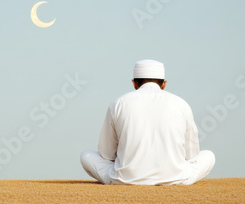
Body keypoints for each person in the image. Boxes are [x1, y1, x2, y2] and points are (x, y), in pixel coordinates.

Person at [80, 59, 215, 185]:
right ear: (164, 84)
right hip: (176, 179)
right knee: (209, 156)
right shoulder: (181, 104)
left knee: (86, 155)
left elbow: (107, 154)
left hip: (125, 180)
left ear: (134, 83)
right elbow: (191, 155)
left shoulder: (118, 103)